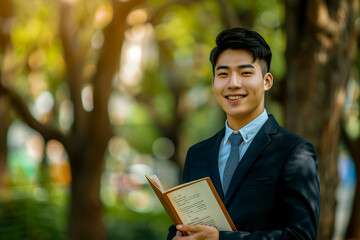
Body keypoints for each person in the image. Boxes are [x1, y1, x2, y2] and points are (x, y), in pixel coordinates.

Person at [166, 28, 320, 240]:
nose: (233, 83)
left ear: (267, 81)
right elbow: (183, 224)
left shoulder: (295, 152)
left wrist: (220, 239)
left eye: (245, 73)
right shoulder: (197, 154)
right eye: (223, 74)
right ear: (214, 84)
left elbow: (301, 236)